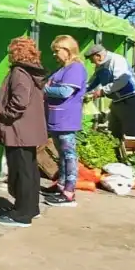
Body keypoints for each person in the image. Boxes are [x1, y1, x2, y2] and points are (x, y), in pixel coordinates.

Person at [0, 37, 47, 228]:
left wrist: (6, 116)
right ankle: (31, 208)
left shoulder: (19, 72)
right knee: (29, 170)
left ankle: (22, 214)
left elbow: (20, 99)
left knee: (22, 171)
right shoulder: (32, 71)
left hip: (18, 130)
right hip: (28, 130)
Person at [43, 35, 88, 208]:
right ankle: (60, 185)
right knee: (61, 154)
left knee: (69, 155)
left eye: (57, 51)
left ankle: (69, 192)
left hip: (66, 119)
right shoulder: (62, 69)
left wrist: (43, 89)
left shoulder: (75, 68)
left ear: (67, 50)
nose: (54, 55)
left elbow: (64, 92)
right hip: (56, 118)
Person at [83, 45, 135, 139]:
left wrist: (102, 91)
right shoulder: (100, 66)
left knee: (131, 133)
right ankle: (118, 151)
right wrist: (81, 91)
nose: (91, 62)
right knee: (114, 131)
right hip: (116, 101)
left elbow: (121, 81)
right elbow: (93, 82)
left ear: (98, 56)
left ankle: (133, 152)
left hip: (129, 99)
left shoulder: (117, 60)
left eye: (91, 59)